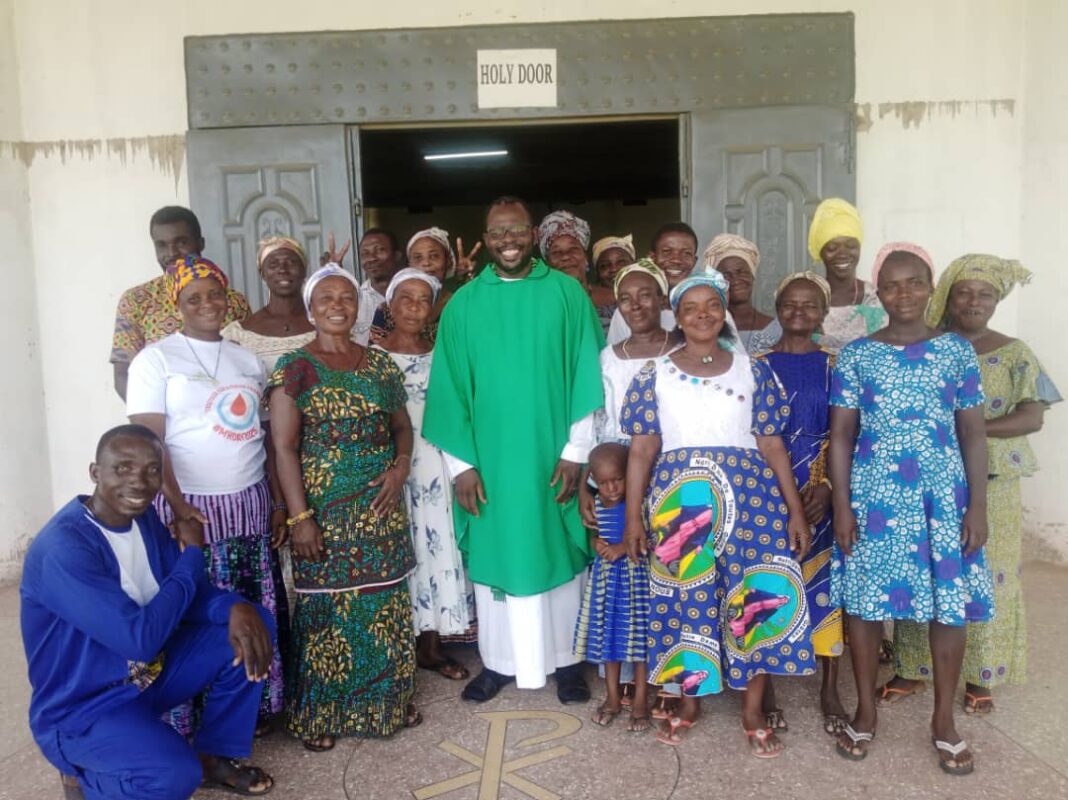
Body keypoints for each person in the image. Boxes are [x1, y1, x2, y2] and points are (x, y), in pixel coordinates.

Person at [20, 424, 275, 799]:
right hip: (85, 706)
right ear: (95, 472)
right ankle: (86, 776)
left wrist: (233, 606)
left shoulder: (142, 519)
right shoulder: (64, 548)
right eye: (122, 467)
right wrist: (193, 554)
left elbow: (184, 595)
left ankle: (212, 757)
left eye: (152, 469)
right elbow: (139, 639)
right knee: (173, 775)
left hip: (147, 677)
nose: (138, 482)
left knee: (253, 624)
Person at [621, 267, 815, 755]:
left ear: (723, 312)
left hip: (752, 503)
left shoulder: (753, 370)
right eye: (691, 308)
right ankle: (690, 703)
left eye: (712, 306)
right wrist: (632, 518)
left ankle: (752, 710)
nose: (702, 315)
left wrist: (795, 511)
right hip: (678, 505)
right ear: (677, 316)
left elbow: (772, 445)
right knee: (686, 600)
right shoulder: (655, 375)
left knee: (754, 597)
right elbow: (641, 451)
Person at [423, 195, 605, 704]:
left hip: (553, 455)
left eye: (517, 230)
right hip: (491, 462)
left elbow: (586, 373)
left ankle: (567, 662)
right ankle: (499, 663)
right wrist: (461, 466)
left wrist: (576, 451)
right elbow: (449, 390)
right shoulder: (463, 305)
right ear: (487, 238)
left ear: (532, 235)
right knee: (499, 552)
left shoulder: (566, 295)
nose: (508, 240)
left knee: (556, 551)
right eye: (498, 232)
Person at [828, 243, 994, 775]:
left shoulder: (956, 352)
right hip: (874, 496)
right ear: (878, 292)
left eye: (914, 282)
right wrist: (842, 506)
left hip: (942, 497)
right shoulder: (857, 355)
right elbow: (841, 436)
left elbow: (973, 434)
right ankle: (866, 711)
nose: (903, 293)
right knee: (865, 605)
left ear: (930, 287)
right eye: (892, 284)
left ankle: (944, 721)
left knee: (950, 605)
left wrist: (977, 507)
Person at [876, 254, 1059, 716]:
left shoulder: (1015, 352)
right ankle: (912, 667)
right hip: (926, 480)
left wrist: (970, 428)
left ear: (997, 301)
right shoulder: (926, 346)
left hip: (991, 479)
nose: (974, 302)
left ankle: (981, 675)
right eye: (964, 292)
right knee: (922, 570)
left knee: (987, 574)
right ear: (946, 296)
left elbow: (1033, 416)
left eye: (986, 295)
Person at [126, 256, 284, 737]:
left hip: (248, 503)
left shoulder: (246, 359)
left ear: (228, 296)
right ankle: (189, 717)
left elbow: (264, 437)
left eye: (214, 293)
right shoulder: (156, 359)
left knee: (251, 605)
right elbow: (150, 443)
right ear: (177, 304)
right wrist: (178, 507)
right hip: (190, 508)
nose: (207, 304)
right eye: (194, 297)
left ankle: (253, 708)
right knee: (200, 612)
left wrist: (278, 503)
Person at [269, 264, 420, 751]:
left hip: (381, 507)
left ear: (358, 307)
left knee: (383, 602)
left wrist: (400, 468)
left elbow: (402, 427)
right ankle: (321, 713)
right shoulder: (294, 368)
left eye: (347, 298)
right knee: (326, 609)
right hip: (324, 511)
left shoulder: (379, 365)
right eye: (326, 298)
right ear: (311, 310)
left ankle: (386, 702)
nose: (338, 305)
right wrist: (300, 518)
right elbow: (284, 448)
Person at [754, 272, 846, 735]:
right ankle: (766, 684)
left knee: (825, 583)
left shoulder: (836, 364)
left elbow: (850, 432)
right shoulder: (756, 365)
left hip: (819, 485)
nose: (799, 311)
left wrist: (827, 486)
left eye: (810, 304)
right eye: (790, 303)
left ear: (823, 313)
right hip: (766, 483)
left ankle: (829, 687)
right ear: (777, 309)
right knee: (767, 579)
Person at [376, 267, 474, 681]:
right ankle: (398, 645)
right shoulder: (372, 358)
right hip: (393, 470)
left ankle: (431, 646)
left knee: (435, 547)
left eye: (423, 300)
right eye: (406, 299)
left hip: (438, 468)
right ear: (389, 306)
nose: (414, 308)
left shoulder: (444, 355)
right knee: (401, 549)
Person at [111, 206, 251, 400]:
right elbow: (123, 375)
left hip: (225, 411)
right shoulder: (136, 300)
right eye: (161, 245)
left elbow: (247, 365)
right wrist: (154, 414)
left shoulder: (233, 301)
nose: (171, 253)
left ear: (200, 243)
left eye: (181, 242)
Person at [573, 443, 651, 732]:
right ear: (594, 480)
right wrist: (596, 543)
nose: (612, 488)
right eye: (603, 482)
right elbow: (593, 534)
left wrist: (622, 547)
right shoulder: (595, 505)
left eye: (617, 479)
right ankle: (613, 698)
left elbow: (654, 539)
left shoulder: (640, 505)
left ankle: (640, 701)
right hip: (607, 586)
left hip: (636, 584)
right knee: (609, 642)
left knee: (640, 644)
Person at [369, 227, 478, 344]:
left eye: (434, 256)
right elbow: (375, 352)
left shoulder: (459, 305)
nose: (426, 263)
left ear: (448, 261)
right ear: (409, 265)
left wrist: (469, 278)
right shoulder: (387, 310)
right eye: (418, 258)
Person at [806, 198, 887, 353]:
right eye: (832, 247)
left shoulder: (876, 296)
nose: (842, 254)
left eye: (851, 246)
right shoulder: (807, 298)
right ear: (821, 252)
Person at [605, 222, 699, 345]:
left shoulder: (705, 310)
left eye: (686, 253)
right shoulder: (631, 310)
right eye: (667, 251)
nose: (676, 260)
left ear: (694, 261)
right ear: (652, 257)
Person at [539, 210, 616, 332]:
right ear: (548, 264)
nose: (565, 256)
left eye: (573, 249)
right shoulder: (541, 307)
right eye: (556, 252)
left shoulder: (615, 300)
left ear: (585, 258)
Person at [704, 233, 781, 353]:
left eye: (741, 272)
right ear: (716, 282)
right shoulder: (706, 328)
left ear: (752, 275)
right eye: (726, 275)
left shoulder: (779, 329)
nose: (735, 280)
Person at [354, 228, 404, 345]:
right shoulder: (355, 301)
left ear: (397, 255)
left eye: (380, 250)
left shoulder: (414, 297)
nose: (371, 258)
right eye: (365, 254)